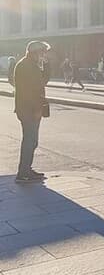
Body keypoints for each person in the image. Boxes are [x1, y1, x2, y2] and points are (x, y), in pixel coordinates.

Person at [12, 41, 50, 183]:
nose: (44, 55)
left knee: (32, 141)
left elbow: (42, 82)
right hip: (29, 110)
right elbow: (32, 90)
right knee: (29, 141)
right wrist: (36, 110)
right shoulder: (26, 66)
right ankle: (23, 173)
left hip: (30, 108)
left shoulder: (30, 65)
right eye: (42, 52)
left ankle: (27, 169)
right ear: (34, 52)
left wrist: (44, 65)